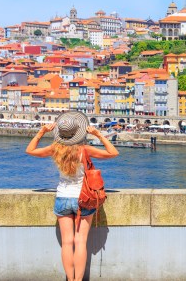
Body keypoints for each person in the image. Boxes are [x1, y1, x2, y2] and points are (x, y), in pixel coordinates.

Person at [25, 111, 119, 281]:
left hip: (62, 197)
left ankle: (69, 278)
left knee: (67, 243)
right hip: (83, 198)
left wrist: (41, 132)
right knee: (80, 242)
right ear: (79, 132)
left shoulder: (55, 149)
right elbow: (113, 153)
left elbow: (30, 150)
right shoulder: (85, 150)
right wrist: (99, 135)